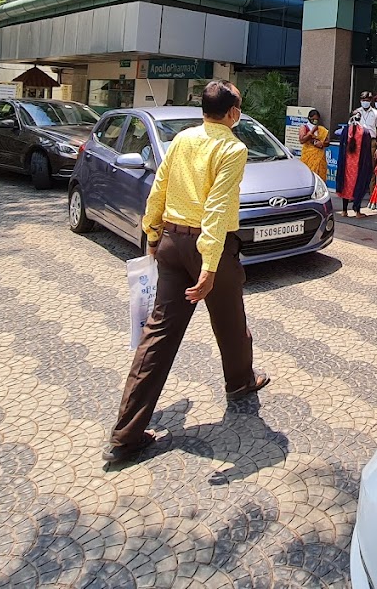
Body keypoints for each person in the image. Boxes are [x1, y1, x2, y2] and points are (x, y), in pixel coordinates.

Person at [103, 80, 269, 465]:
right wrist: (209, 266)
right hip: (208, 246)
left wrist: (152, 233)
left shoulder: (181, 140)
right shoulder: (232, 147)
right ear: (232, 113)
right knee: (230, 321)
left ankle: (127, 432)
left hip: (173, 244)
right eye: (238, 106)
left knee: (158, 333)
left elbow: (159, 188)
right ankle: (240, 382)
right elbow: (216, 207)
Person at [336, 109, 374, 217]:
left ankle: (344, 211)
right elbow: (367, 151)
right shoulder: (365, 132)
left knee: (345, 185)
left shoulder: (345, 131)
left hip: (346, 166)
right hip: (359, 166)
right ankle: (357, 211)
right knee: (359, 184)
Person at [298, 109, 329, 184]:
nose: (315, 121)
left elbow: (327, 142)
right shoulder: (304, 127)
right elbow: (302, 140)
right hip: (308, 156)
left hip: (320, 156)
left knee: (320, 176)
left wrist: (321, 143)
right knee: (308, 175)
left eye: (316, 119)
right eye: (313, 119)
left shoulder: (321, 129)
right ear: (309, 118)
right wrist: (312, 131)